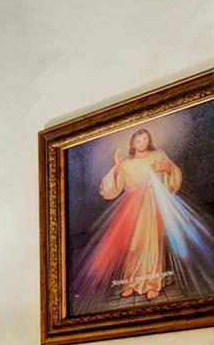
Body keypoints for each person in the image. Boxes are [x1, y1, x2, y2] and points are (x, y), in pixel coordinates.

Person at [76, 125, 214, 305]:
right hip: (131, 207)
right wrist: (117, 165)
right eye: (138, 140)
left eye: (145, 139)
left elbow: (175, 174)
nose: (142, 142)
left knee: (152, 242)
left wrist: (166, 167)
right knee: (134, 245)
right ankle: (131, 282)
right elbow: (110, 189)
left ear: (149, 140)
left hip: (153, 203)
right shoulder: (126, 163)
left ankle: (152, 282)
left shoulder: (158, 155)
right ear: (132, 143)